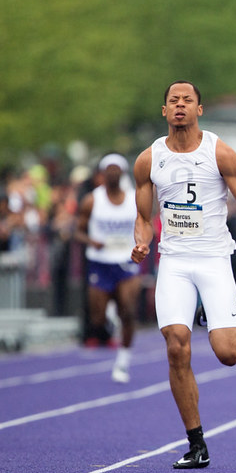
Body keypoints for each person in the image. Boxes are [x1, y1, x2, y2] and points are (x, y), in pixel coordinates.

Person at [132, 80, 236, 469]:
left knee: (228, 354)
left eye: (187, 101)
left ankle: (208, 311)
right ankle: (196, 443)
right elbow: (143, 217)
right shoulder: (148, 160)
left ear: (199, 110)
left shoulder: (219, 153)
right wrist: (140, 241)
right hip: (173, 261)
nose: (180, 106)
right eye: (173, 101)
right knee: (176, 346)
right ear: (164, 110)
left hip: (213, 260)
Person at [75, 153, 142, 382]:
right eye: (108, 169)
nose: (112, 173)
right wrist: (90, 241)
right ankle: (110, 319)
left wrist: (141, 243)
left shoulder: (134, 199)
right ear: (102, 174)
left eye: (116, 169)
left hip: (126, 261)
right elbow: (78, 230)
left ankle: (123, 361)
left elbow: (144, 225)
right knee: (97, 318)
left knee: (129, 310)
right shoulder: (93, 200)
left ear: (122, 173)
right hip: (100, 262)